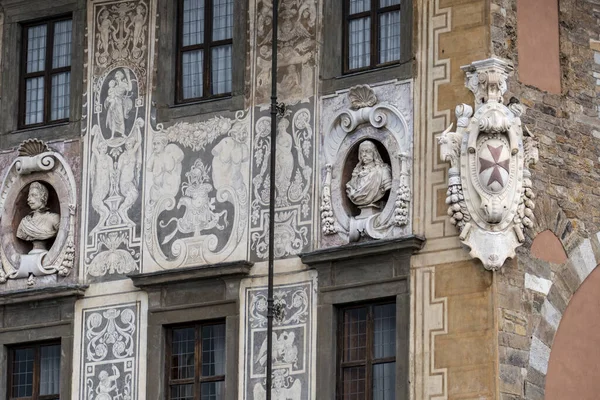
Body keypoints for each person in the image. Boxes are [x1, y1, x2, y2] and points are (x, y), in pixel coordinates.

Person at [345, 140, 392, 208]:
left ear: (374, 153)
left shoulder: (383, 171)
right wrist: (354, 178)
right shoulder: (356, 174)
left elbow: (388, 188)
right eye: (362, 152)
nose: (364, 155)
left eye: (367, 151)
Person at [16, 182, 60, 252]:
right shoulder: (24, 222)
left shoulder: (54, 219)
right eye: (29, 196)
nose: (29, 199)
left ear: (43, 197)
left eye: (34, 195)